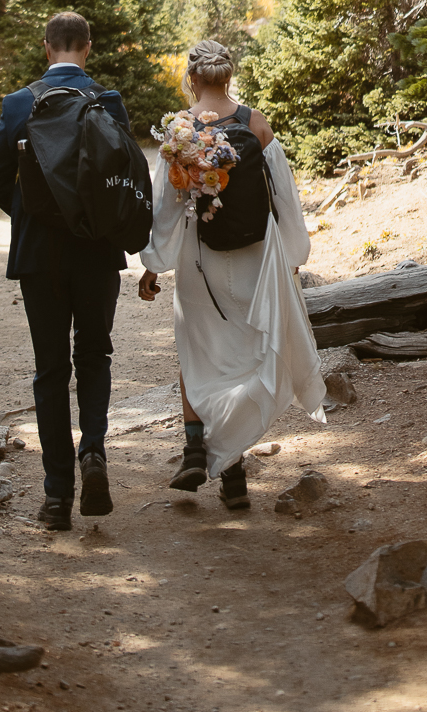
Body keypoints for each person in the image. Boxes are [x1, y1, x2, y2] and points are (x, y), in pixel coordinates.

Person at [138, 38, 325, 509]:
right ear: (227, 75)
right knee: (244, 356)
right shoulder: (255, 123)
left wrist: (153, 263)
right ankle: (233, 476)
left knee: (198, 352)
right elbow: (283, 194)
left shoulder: (180, 130)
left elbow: (166, 207)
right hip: (254, 255)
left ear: (193, 78)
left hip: (198, 257)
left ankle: (195, 448)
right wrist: (294, 252)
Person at [0, 10, 132, 530]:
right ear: (87, 48)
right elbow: (121, 180)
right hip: (96, 254)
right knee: (94, 356)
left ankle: (54, 496)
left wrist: (32, 215)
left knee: (50, 371)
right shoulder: (108, 101)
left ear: (46, 48)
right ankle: (93, 452)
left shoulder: (19, 103)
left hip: (39, 257)